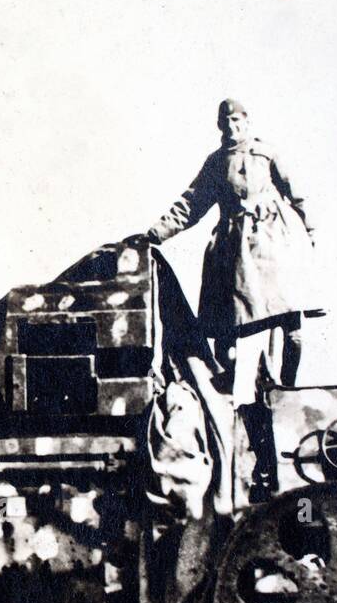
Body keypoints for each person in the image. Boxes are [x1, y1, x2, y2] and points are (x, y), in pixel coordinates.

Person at [127, 99, 317, 398]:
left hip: (274, 243)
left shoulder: (266, 154)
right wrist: (154, 234)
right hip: (234, 251)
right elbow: (191, 204)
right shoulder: (216, 163)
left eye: (237, 121)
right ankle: (232, 391)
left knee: (291, 323)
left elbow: (296, 193)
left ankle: (287, 388)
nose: (232, 127)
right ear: (219, 126)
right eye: (226, 122)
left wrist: (310, 229)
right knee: (226, 331)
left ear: (247, 121)